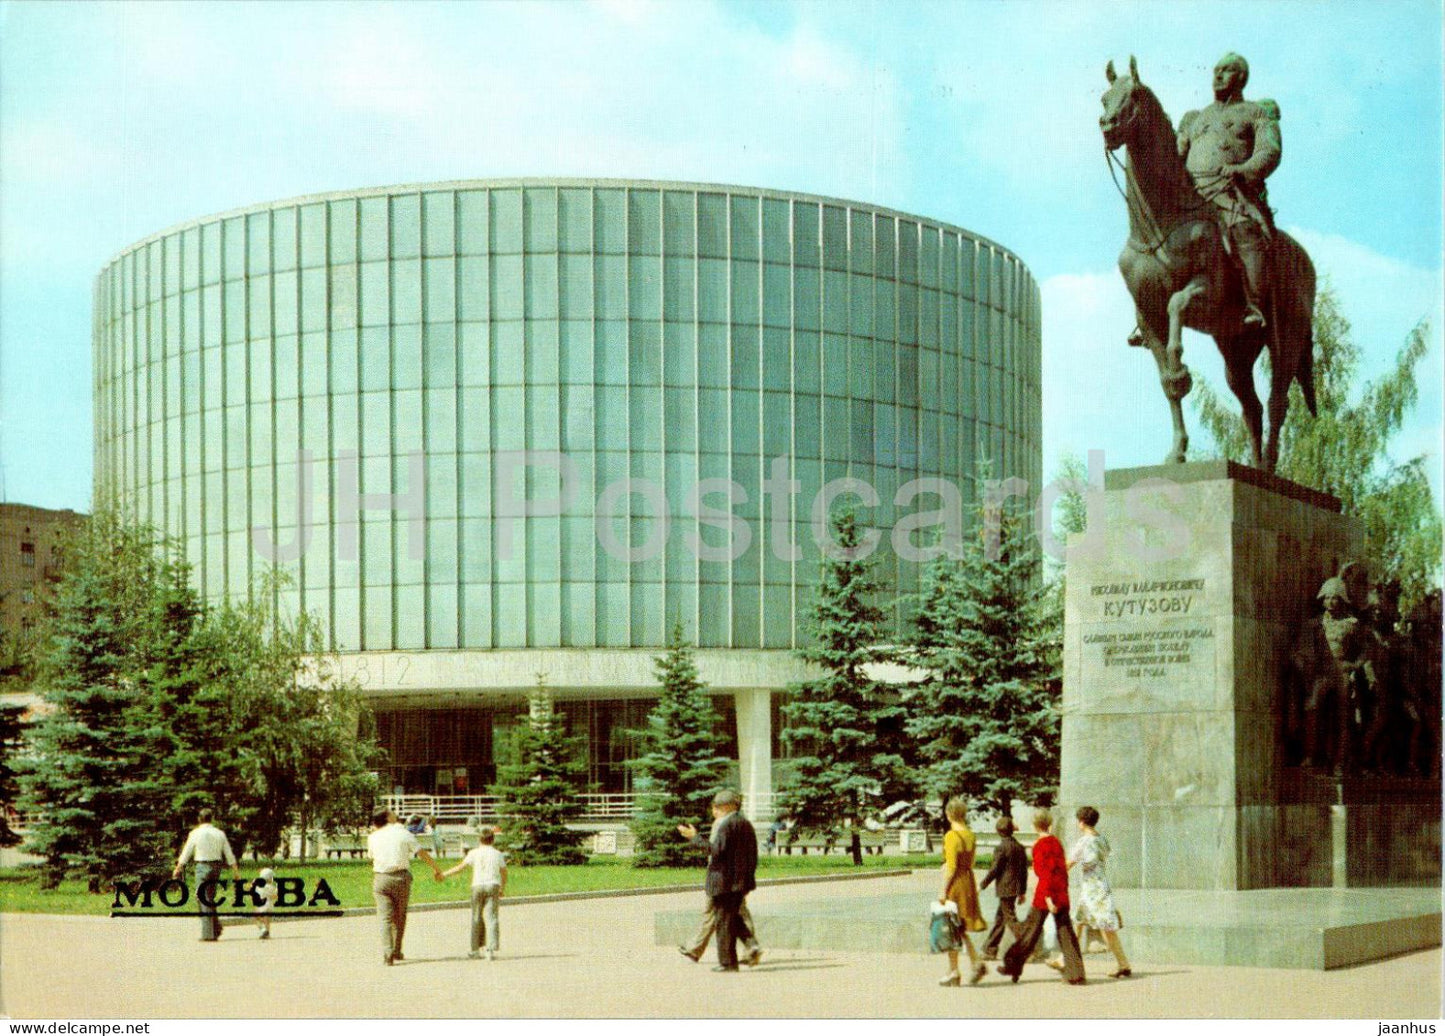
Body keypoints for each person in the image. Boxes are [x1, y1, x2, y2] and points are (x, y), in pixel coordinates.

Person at [1177, 52, 1281, 331]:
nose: (1218, 75)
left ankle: (1254, 305)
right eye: (1216, 70)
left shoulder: (1255, 112)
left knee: (1244, 229)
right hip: (1192, 197)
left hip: (1230, 193)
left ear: (1241, 77)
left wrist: (1243, 168)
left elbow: (1269, 151)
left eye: (1227, 70)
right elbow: (1177, 153)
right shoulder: (1194, 118)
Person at [998, 810, 1085, 985]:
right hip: (1060, 893)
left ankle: (1012, 966)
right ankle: (1076, 973)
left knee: (1029, 932)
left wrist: (1047, 899)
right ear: (1049, 824)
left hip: (1045, 895)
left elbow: (1044, 874)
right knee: (1066, 933)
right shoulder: (1057, 843)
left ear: (1035, 826)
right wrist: (1058, 895)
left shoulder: (1039, 846)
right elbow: (1059, 871)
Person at [677, 789, 758, 972]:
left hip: (724, 881)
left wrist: (694, 838)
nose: (715, 810)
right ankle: (747, 948)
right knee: (729, 918)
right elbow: (752, 855)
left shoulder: (726, 824)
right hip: (737, 881)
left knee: (726, 921)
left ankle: (730, 962)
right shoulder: (745, 823)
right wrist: (747, 879)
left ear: (729, 807)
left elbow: (716, 851)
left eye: (718, 807)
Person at [368, 807, 444, 965]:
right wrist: (436, 869)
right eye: (391, 812)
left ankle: (387, 953)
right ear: (388, 818)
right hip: (401, 877)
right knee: (400, 915)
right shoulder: (403, 833)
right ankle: (396, 950)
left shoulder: (373, 837)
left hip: (381, 878)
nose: (395, 814)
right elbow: (421, 853)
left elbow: (371, 856)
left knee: (385, 918)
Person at [1065, 807, 1131, 978]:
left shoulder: (1084, 842)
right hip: (1099, 884)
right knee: (1079, 922)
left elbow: (1069, 863)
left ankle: (1123, 964)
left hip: (1092, 889)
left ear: (1081, 821)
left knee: (1104, 926)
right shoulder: (1102, 839)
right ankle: (1064, 959)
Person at [934, 797, 988, 986]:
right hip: (968, 881)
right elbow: (971, 863)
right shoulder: (971, 835)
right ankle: (975, 962)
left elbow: (951, 866)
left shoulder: (951, 836)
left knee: (950, 927)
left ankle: (954, 971)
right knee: (960, 927)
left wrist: (942, 890)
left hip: (955, 884)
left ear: (949, 815)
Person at [172, 808, 241, 942]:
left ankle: (208, 934)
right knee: (209, 896)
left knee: (202, 897)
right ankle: (216, 928)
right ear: (212, 818)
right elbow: (228, 852)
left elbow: (187, 851)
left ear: (199, 819)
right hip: (216, 866)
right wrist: (235, 870)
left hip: (202, 866)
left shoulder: (195, 833)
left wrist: (178, 867)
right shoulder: (219, 833)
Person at [440, 826, 507, 960]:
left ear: (479, 840)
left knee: (476, 917)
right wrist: (502, 888)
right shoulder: (497, 854)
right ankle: (490, 949)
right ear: (493, 840)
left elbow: (461, 867)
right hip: (492, 884)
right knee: (492, 917)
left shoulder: (473, 853)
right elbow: (504, 872)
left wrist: (444, 874)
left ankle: (475, 949)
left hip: (477, 886)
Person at [978, 815, 1029, 961]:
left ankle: (1028, 945)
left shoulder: (1001, 848)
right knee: (1000, 919)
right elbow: (1023, 871)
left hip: (1005, 888)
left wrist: (982, 885)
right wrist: (1022, 891)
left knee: (1011, 920)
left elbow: (995, 869)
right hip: (1014, 889)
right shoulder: (1019, 847)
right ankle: (990, 949)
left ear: (998, 831)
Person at [254, 866, 278, 940]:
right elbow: (275, 896)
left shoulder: (258, 887)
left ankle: (263, 930)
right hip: (269, 906)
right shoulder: (272, 887)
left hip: (261, 907)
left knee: (257, 919)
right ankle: (267, 932)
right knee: (267, 920)